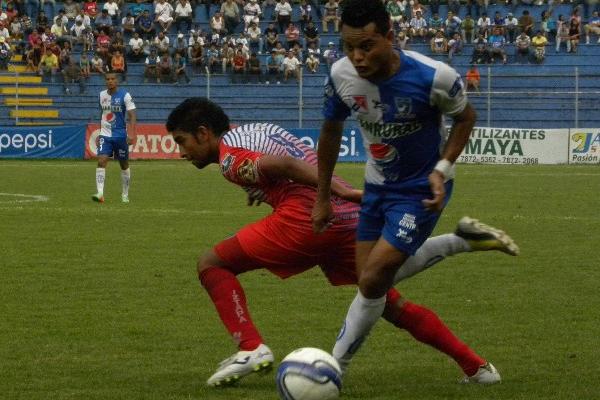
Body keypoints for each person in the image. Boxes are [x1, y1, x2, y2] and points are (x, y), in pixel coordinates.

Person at [165, 97, 518, 388]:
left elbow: (287, 164)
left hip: (308, 216)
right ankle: (478, 368)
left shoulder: (229, 158)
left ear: (203, 132)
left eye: (181, 141)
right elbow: (290, 161)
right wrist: (271, 190)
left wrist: (334, 191)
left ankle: (250, 348)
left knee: (212, 262)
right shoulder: (255, 131)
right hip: (343, 217)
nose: (180, 152)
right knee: (384, 300)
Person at [312, 0, 493, 379]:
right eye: (348, 47)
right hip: (377, 187)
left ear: (390, 38)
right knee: (370, 281)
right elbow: (330, 131)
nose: (357, 57)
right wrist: (323, 196)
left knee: (374, 277)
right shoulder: (341, 76)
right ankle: (459, 242)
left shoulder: (434, 76)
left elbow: (466, 117)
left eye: (367, 46)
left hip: (422, 189)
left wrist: (441, 170)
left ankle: (333, 368)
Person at [92, 73, 136, 204]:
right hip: (105, 135)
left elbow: (132, 115)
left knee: (124, 165)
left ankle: (125, 194)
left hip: (120, 136)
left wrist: (132, 134)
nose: (110, 81)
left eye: (112, 79)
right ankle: (100, 193)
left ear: (117, 81)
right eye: (107, 79)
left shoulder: (125, 95)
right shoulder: (101, 95)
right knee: (101, 161)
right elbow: (103, 114)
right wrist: (99, 132)